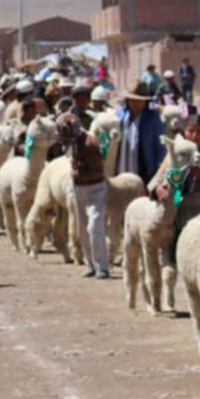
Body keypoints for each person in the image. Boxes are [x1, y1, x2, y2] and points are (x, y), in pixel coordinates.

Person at [150, 114, 200, 247]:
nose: (194, 135)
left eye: (199, 132)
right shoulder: (176, 153)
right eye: (190, 131)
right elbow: (154, 182)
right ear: (184, 131)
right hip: (182, 217)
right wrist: (157, 190)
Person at [57, 113, 111, 279]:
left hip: (95, 190)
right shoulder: (73, 143)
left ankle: (102, 266)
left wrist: (76, 171)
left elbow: (97, 171)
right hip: (79, 189)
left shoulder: (90, 144)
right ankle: (91, 264)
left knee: (94, 227)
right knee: (82, 229)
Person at [116, 81, 166, 186]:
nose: (135, 103)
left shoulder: (153, 118)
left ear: (145, 102)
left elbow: (160, 146)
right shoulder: (120, 116)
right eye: (132, 100)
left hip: (144, 168)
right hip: (121, 167)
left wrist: (157, 170)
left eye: (139, 101)